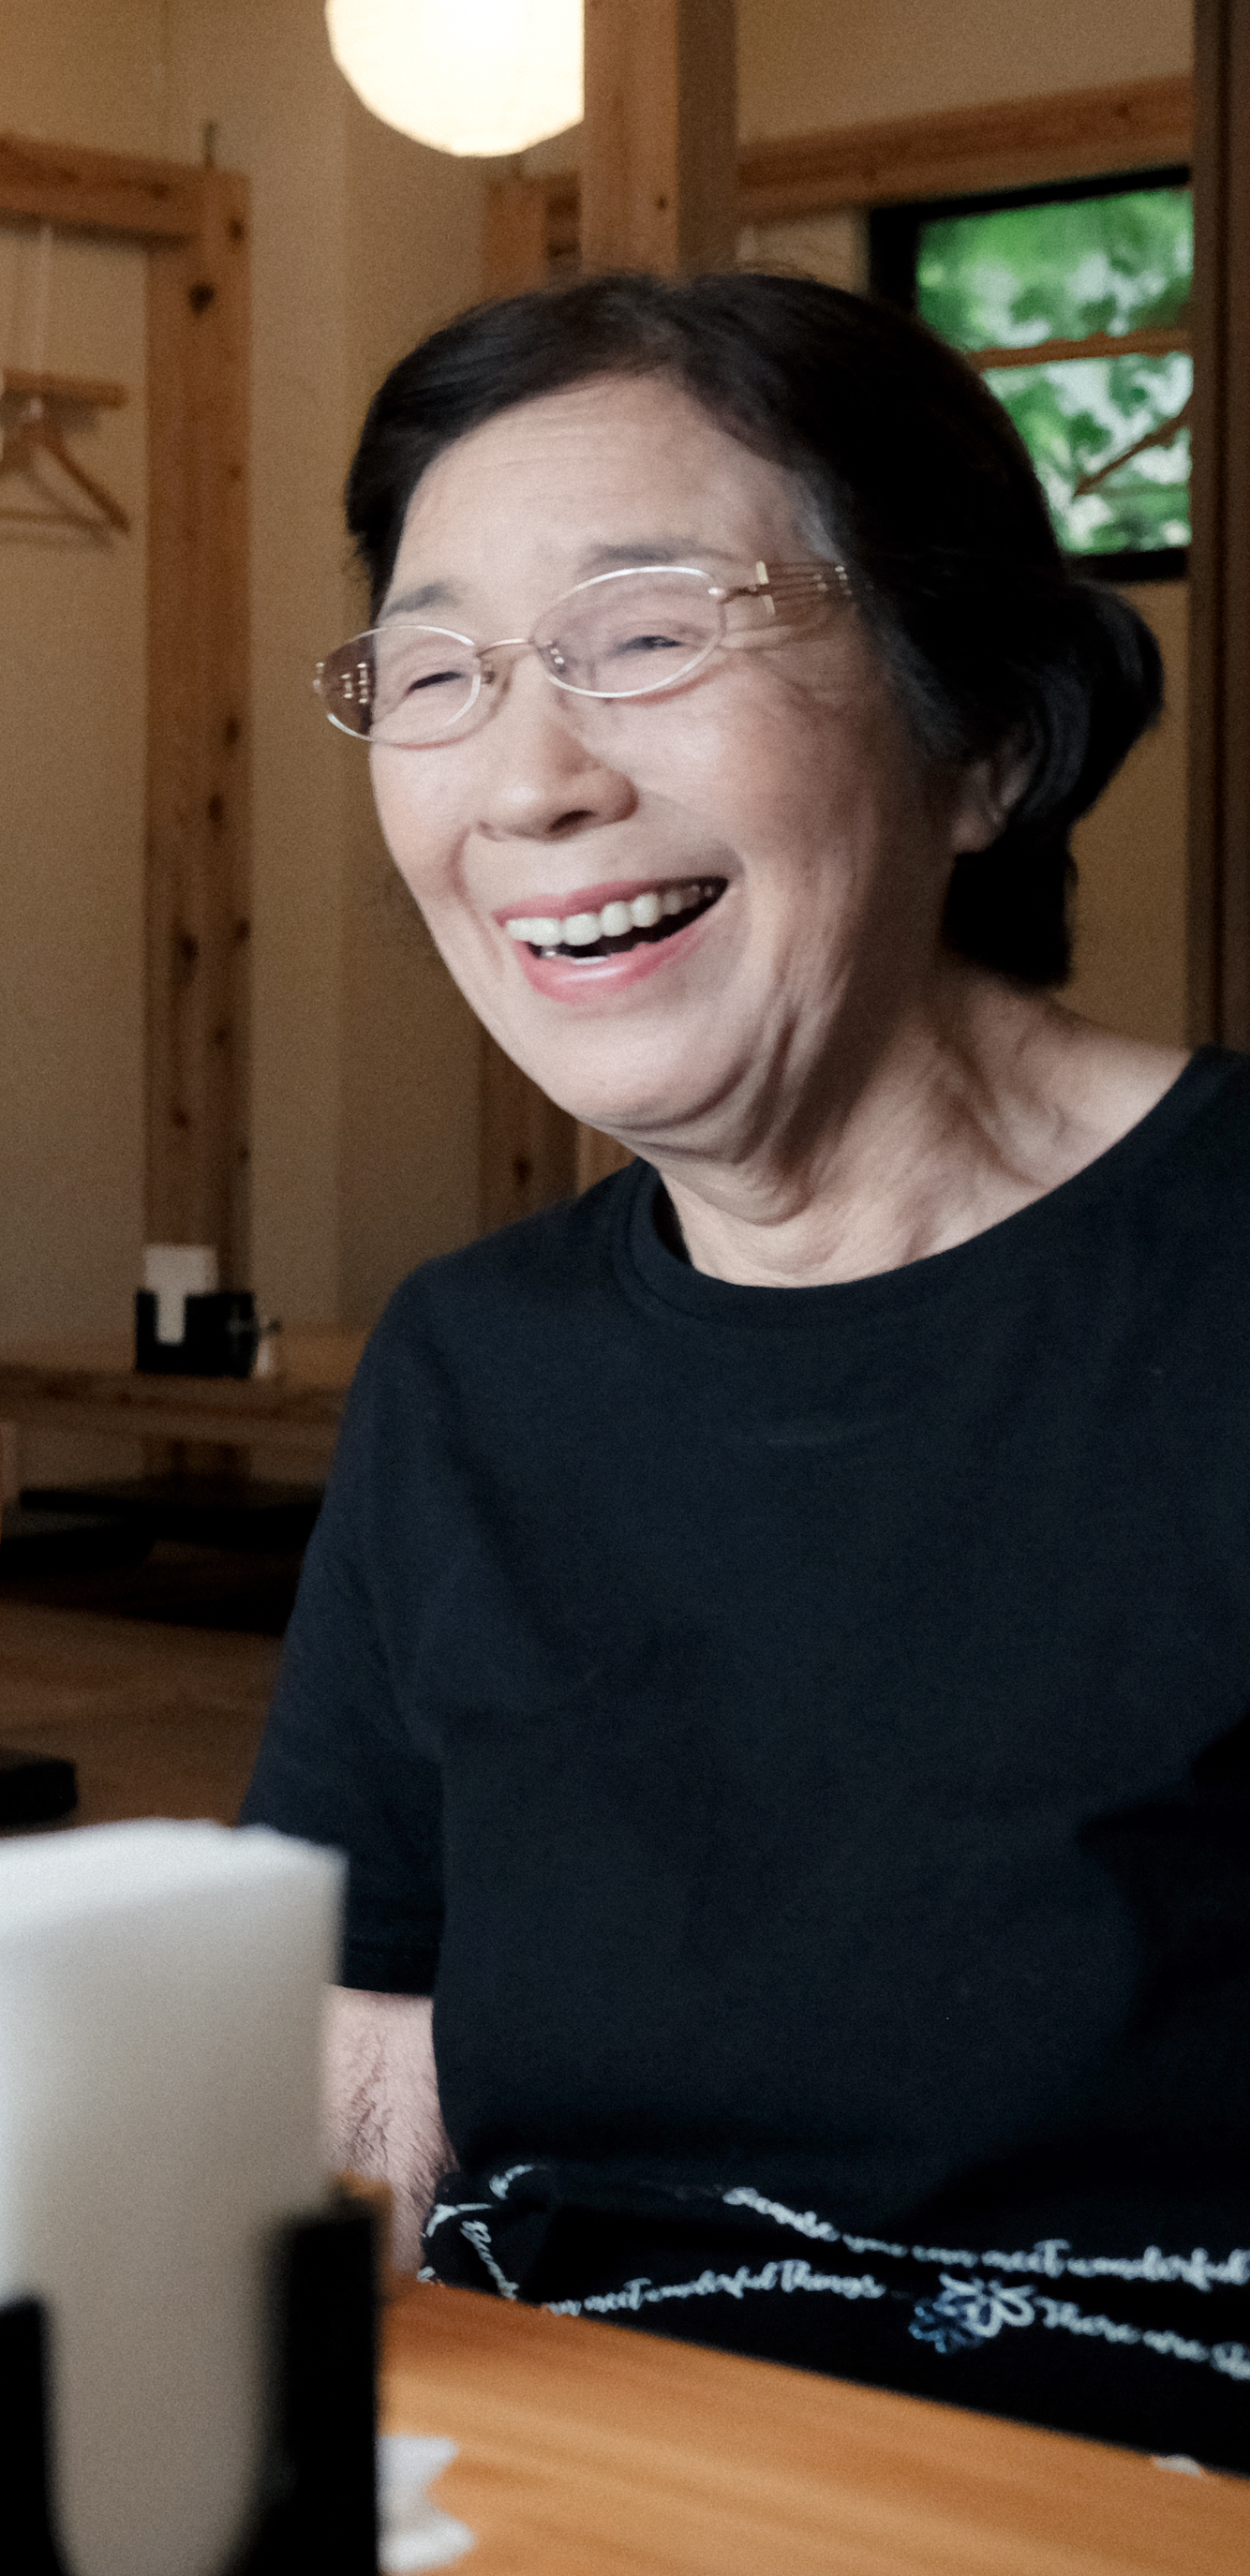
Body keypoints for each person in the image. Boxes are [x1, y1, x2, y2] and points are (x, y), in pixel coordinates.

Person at [243, 268, 1250, 2460]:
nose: (527, 778)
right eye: (437, 672)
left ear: (974, 731)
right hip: (542, 2522)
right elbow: (357, 2097)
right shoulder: (470, 1372)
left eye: (648, 634)